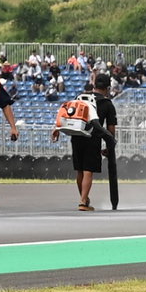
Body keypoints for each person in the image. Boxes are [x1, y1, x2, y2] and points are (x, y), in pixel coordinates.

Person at [52, 73, 118, 210]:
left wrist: (56, 128)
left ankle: (84, 198)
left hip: (76, 136)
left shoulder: (80, 98)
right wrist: (109, 145)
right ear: (107, 88)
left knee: (80, 170)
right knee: (88, 170)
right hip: (93, 137)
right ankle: (83, 201)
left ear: (94, 85)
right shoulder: (107, 104)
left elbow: (67, 114)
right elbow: (110, 129)